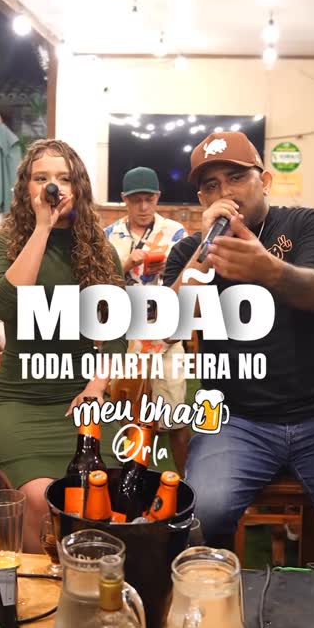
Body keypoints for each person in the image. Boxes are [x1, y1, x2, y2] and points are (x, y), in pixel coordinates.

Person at [164, 131, 314, 557]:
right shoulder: (191, 252)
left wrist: (267, 269)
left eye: (236, 177)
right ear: (201, 198)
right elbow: (167, 327)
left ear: (264, 180)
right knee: (201, 519)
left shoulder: (305, 224)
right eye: (211, 185)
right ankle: (215, 597)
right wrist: (205, 250)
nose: (225, 192)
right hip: (233, 417)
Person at [0, 139, 127, 549]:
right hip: (19, 401)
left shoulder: (99, 250)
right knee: (42, 500)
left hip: (79, 397)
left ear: (78, 187)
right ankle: (41, 582)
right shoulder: (5, 242)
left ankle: (94, 576)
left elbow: (117, 332)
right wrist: (42, 228)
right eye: (41, 177)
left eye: (64, 178)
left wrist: (96, 388)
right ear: (26, 188)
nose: (53, 186)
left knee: (103, 494)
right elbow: (7, 305)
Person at [104, 166, 189, 472]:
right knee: (129, 415)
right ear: (124, 199)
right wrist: (126, 264)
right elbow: (98, 288)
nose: (142, 207)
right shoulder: (108, 236)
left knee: (176, 415)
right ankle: (132, 483)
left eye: (148, 199)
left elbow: (191, 281)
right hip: (125, 338)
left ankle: (189, 482)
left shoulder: (176, 233)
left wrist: (171, 269)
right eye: (135, 200)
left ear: (157, 198)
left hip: (165, 335)